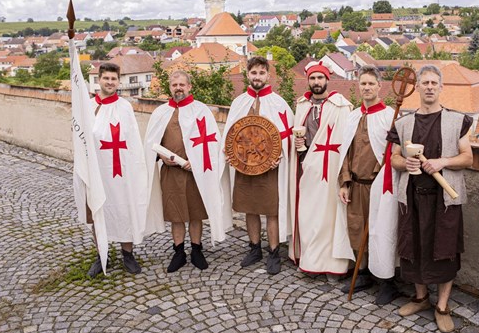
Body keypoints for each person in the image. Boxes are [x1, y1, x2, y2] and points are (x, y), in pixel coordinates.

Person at [389, 64, 473, 333]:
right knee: (413, 248)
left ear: (440, 87)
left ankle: (443, 306)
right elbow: (394, 158)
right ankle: (421, 297)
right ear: (418, 87)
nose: (428, 87)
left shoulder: (457, 121)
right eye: (424, 83)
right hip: (412, 197)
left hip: (444, 200)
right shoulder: (403, 123)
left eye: (433, 83)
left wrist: (442, 162)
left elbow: (468, 158)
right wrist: (406, 165)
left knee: (444, 251)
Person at [144, 70, 231, 273]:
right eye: (175, 85)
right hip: (171, 172)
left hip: (195, 173)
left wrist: (198, 160)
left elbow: (211, 142)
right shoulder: (161, 113)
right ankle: (179, 252)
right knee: (176, 214)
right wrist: (160, 156)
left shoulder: (201, 111)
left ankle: (197, 249)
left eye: (182, 85)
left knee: (195, 213)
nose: (178, 88)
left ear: (189, 86)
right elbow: (151, 143)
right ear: (170, 88)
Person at [220, 56, 294, 275]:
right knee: (249, 208)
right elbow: (231, 134)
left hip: (270, 167)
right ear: (248, 75)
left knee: (271, 210)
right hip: (245, 166)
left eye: (262, 73)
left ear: (268, 76)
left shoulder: (279, 103)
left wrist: (278, 155)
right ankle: (254, 248)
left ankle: (273, 252)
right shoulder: (239, 102)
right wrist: (232, 154)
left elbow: (287, 134)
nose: (257, 77)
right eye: (254, 73)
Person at [336, 65, 399, 304]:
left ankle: (387, 282)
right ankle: (363, 273)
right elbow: (346, 153)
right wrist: (344, 182)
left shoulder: (389, 116)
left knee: (380, 232)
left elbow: (393, 152)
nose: (367, 87)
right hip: (356, 184)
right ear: (358, 86)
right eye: (363, 83)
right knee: (356, 229)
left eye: (371, 83)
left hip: (380, 185)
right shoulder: (353, 116)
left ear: (379, 86)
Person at [83, 62, 149, 277]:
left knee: (123, 208)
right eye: (106, 78)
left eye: (113, 79)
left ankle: (127, 254)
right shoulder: (88, 107)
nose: (110, 82)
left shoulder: (125, 107)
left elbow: (132, 142)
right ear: (99, 79)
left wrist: (135, 171)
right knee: (98, 211)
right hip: (97, 171)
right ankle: (101, 254)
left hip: (121, 171)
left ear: (118, 81)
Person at [289, 61, 353, 275]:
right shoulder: (302, 106)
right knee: (309, 216)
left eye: (320, 78)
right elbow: (298, 139)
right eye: (313, 78)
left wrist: (345, 178)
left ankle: (333, 264)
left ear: (327, 80)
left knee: (330, 217)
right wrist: (298, 146)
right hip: (307, 170)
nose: (316, 82)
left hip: (332, 169)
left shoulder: (341, 106)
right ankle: (311, 261)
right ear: (308, 81)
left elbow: (346, 144)